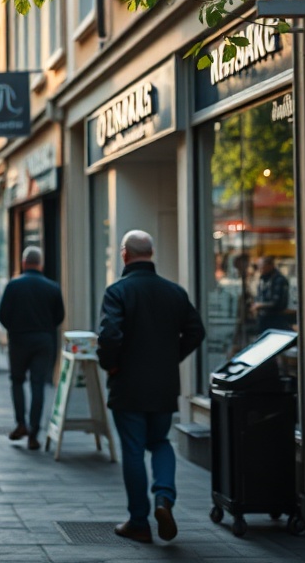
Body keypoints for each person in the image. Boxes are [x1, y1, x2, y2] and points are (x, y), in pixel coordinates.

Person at [97, 230, 205, 544]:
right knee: (160, 442)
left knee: (133, 449)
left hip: (128, 385)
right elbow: (196, 331)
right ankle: (164, 499)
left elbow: (109, 335)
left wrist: (111, 364)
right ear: (151, 253)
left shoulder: (117, 291)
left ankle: (139, 522)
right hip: (163, 384)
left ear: (124, 254)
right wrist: (171, 357)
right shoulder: (174, 292)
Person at [0, 246, 65, 451]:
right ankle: (34, 432)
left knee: (17, 381)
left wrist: (14, 329)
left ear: (24, 263)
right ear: (40, 264)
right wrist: (45, 328)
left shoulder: (13, 285)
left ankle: (21, 423)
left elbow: (3, 315)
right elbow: (59, 316)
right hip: (43, 340)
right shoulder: (52, 287)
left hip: (19, 339)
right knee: (38, 385)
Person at [251, 255, 293, 333]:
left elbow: (277, 303)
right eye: (258, 266)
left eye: (261, 266)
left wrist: (260, 305)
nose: (259, 269)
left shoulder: (279, 280)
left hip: (275, 318)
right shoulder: (263, 279)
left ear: (270, 266)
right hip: (264, 318)